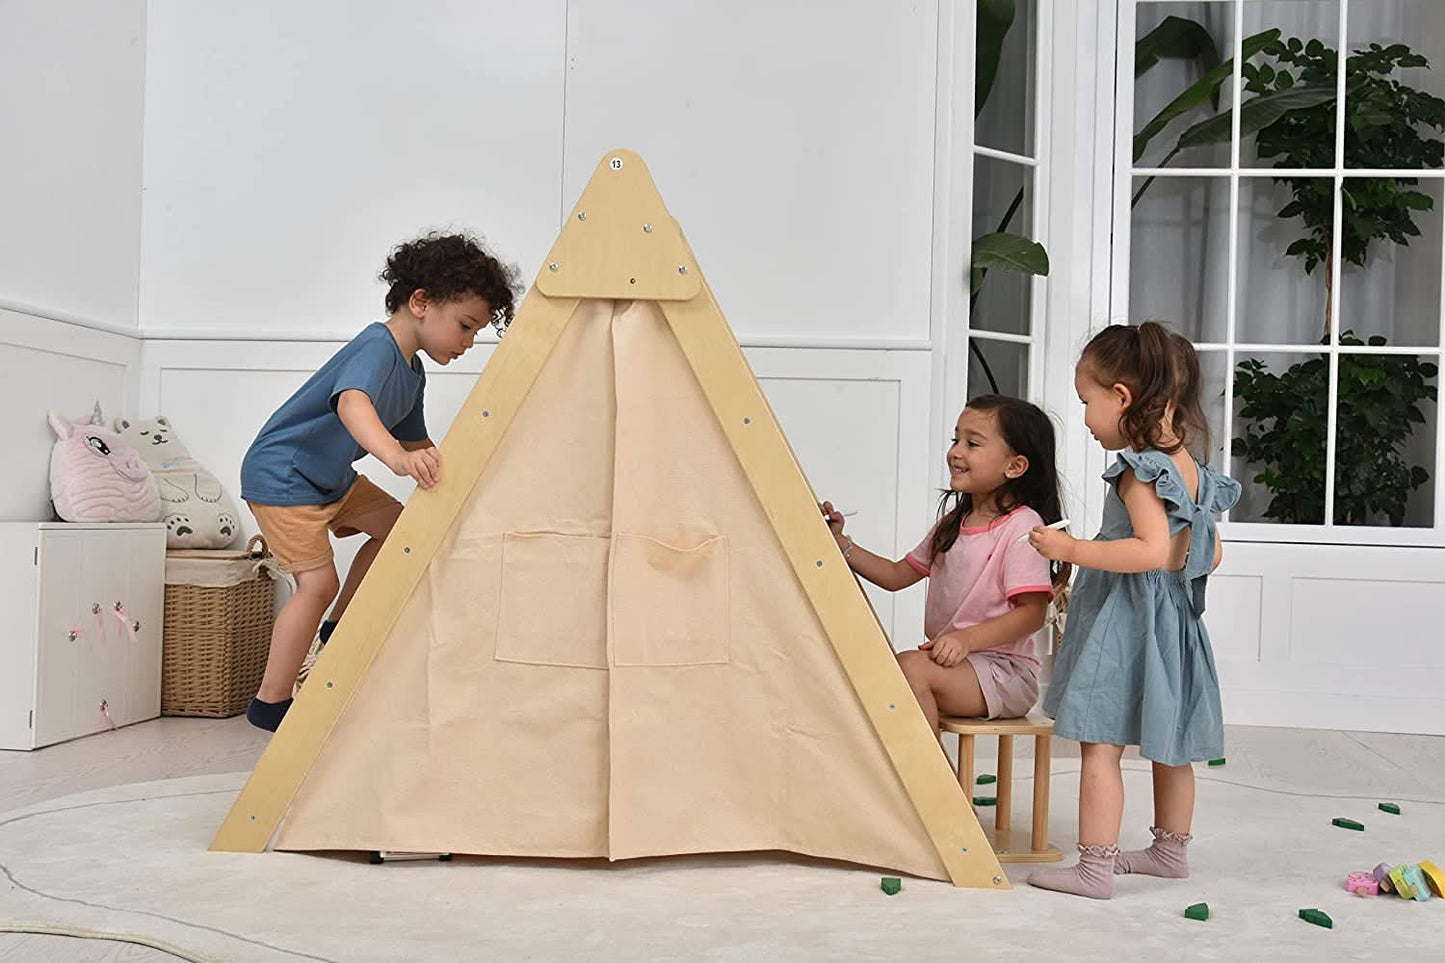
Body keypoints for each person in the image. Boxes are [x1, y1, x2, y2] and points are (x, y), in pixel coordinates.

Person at [239, 232, 519, 731]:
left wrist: (464, 474)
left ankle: (338, 628)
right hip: (284, 477)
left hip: (328, 480)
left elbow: (418, 444)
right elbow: (353, 404)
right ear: (420, 303)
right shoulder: (377, 346)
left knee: (400, 530)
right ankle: (270, 702)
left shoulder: (412, 373)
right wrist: (390, 457)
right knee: (317, 582)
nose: (468, 342)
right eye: (465, 326)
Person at [1025, 321, 1241, 899]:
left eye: (1086, 403)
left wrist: (1070, 548)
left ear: (1121, 397)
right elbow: (1210, 552)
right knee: (1170, 740)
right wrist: (1176, 560)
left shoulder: (1138, 471)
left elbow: (1145, 549)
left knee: (1100, 741)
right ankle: (1170, 852)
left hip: (1126, 620)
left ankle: (1094, 868)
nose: (1086, 418)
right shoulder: (1193, 469)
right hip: (1173, 622)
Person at [822, 394, 1068, 735]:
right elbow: (896, 575)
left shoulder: (1023, 527)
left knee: (910, 668)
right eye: (956, 439)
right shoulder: (954, 523)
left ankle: (932, 786)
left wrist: (966, 639)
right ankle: (924, 783)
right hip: (960, 666)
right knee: (889, 671)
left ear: (1014, 467)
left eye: (973, 443)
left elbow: (1031, 614)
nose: (956, 451)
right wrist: (841, 544)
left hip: (1006, 674)